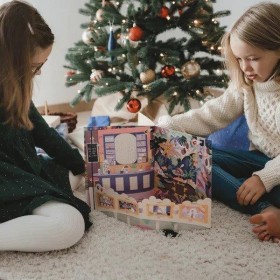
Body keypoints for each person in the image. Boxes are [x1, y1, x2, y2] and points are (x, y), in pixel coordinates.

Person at [157, 2, 280, 243]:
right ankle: (266, 206)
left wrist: (264, 179)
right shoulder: (247, 81)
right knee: (194, 157)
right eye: (240, 59)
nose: (245, 68)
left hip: (274, 173)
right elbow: (211, 115)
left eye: (253, 58)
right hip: (261, 161)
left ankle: (265, 207)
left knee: (248, 183)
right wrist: (167, 126)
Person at [0, 0, 92, 252]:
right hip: (6, 177)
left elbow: (42, 132)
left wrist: (83, 165)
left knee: (72, 174)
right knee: (69, 225)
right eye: (34, 66)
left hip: (19, 167)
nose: (38, 73)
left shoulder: (14, 86)